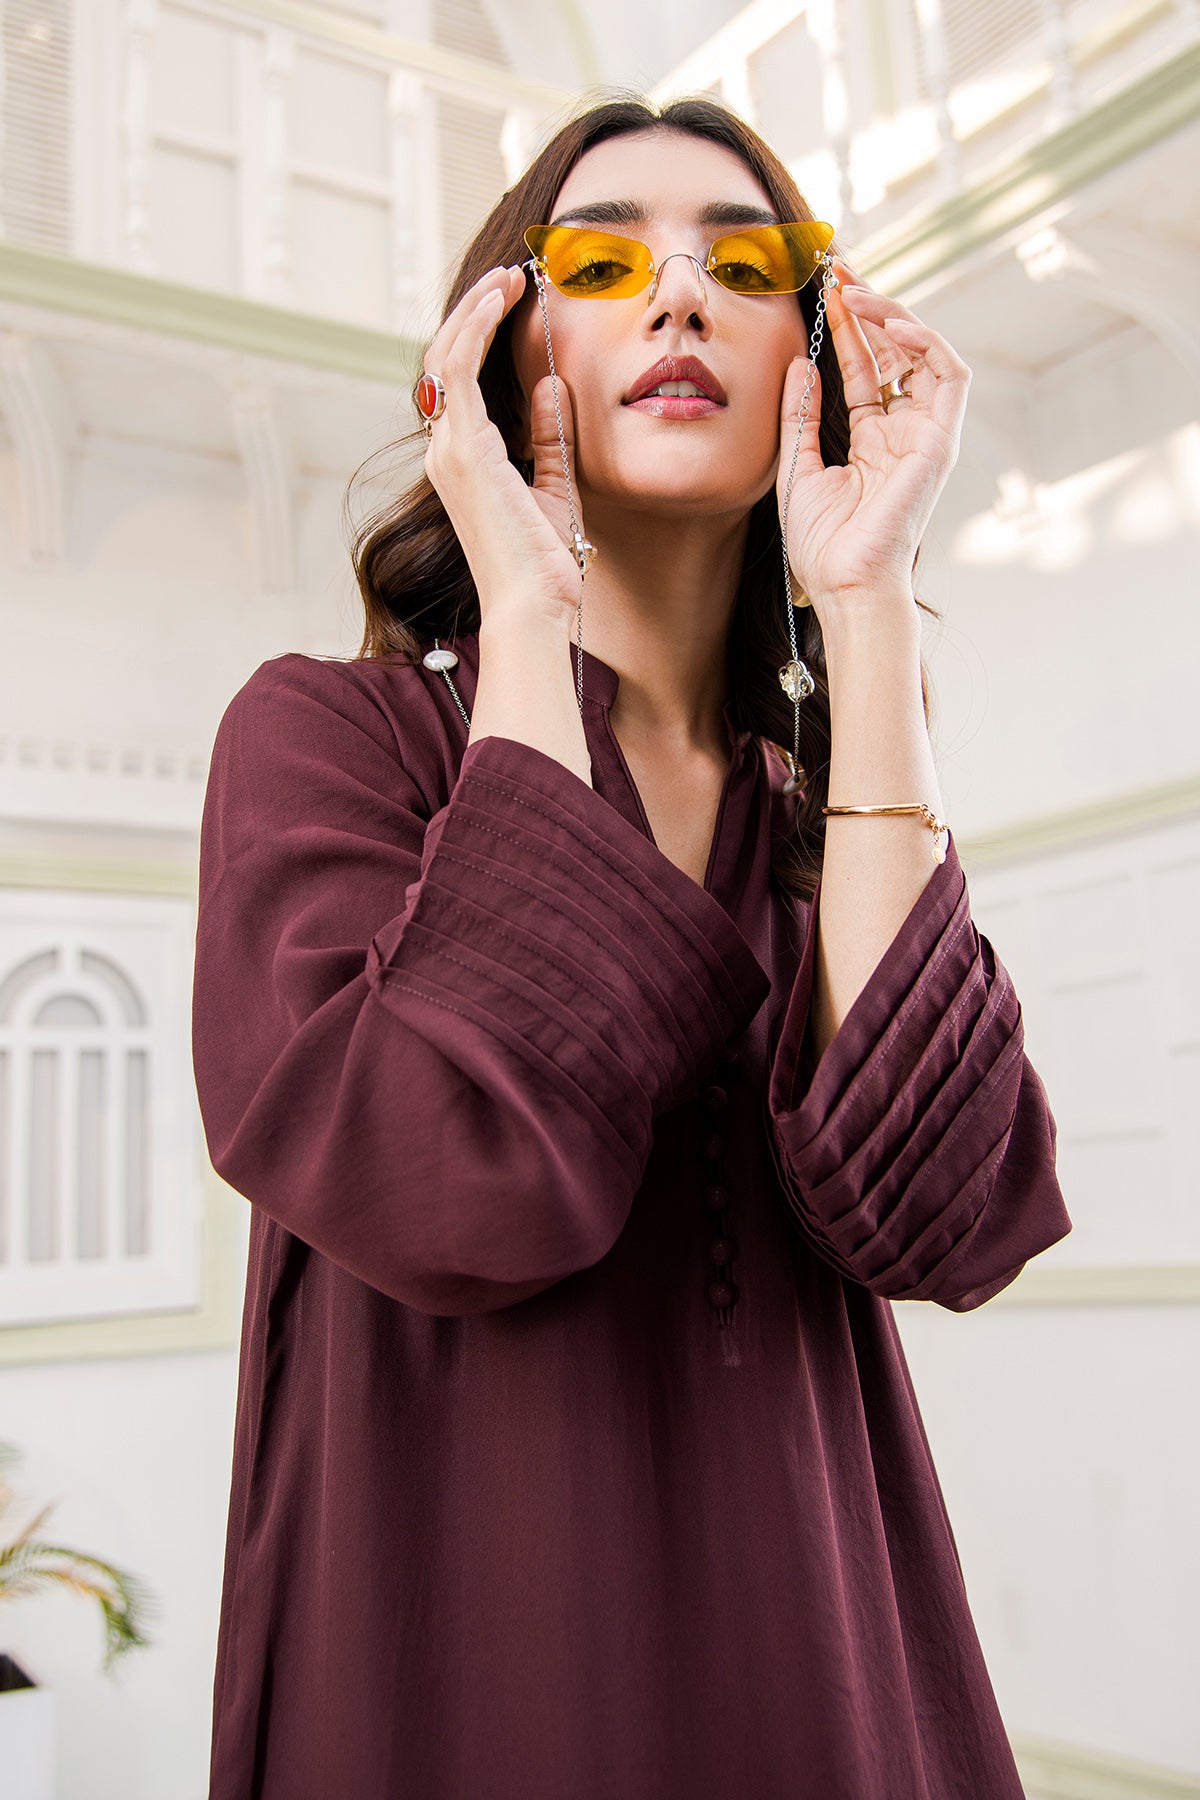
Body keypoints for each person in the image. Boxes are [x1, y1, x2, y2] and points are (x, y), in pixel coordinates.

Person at [192, 94, 1071, 1800]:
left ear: (814, 353)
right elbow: (459, 1182)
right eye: (606, 260)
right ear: (499, 344)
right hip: (448, 1681)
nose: (680, 298)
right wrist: (528, 610)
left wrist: (868, 608)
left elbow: (943, 1217)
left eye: (743, 263)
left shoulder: (821, 806)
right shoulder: (323, 748)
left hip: (829, 1680)